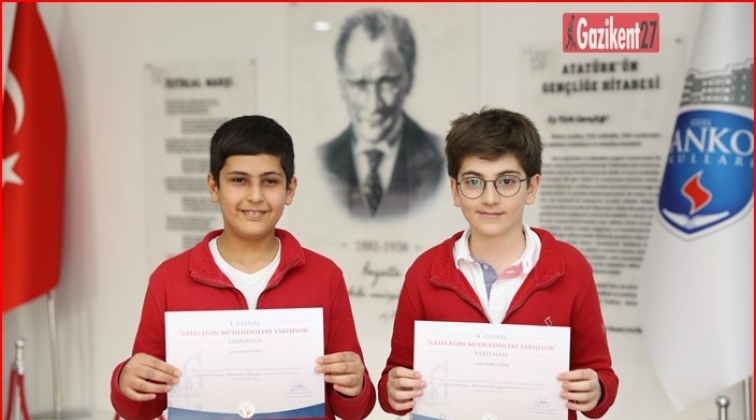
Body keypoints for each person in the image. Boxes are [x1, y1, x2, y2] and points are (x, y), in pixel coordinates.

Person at [111, 115, 377, 420]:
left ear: (290, 189)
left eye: (270, 181)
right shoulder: (169, 280)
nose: (255, 196)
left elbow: (354, 408)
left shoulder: (325, 276)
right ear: (214, 186)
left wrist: (355, 386)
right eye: (239, 180)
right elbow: (142, 408)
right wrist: (126, 380)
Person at [377, 107, 618, 419]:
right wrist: (394, 390)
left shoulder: (571, 268)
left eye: (506, 181)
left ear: (532, 187)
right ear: (455, 190)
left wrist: (596, 390)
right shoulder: (424, 272)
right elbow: (393, 381)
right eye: (473, 182)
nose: (489, 198)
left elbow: (602, 376)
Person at [319, 8, 445, 219]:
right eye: (359, 83)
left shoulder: (441, 157)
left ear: (409, 79)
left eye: (387, 82)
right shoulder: (322, 160)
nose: (373, 105)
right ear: (342, 84)